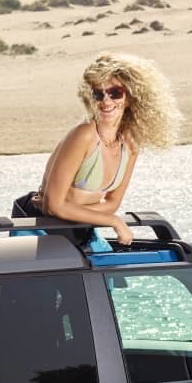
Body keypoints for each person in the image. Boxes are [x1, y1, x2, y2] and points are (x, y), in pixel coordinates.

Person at [12, 53, 180, 248]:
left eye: (115, 93)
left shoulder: (131, 143)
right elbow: (53, 206)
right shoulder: (84, 135)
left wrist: (72, 209)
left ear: (130, 97)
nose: (106, 101)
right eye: (98, 94)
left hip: (78, 225)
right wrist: (113, 221)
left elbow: (112, 203)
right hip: (41, 225)